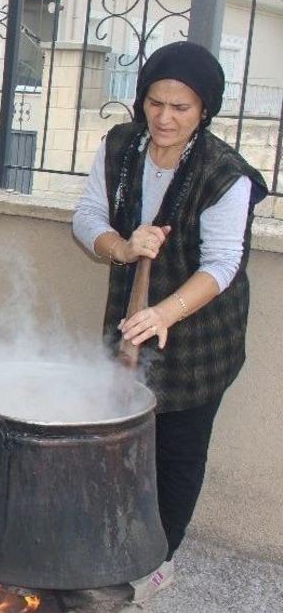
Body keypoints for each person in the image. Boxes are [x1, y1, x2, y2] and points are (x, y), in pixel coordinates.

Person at [72, 41, 267, 602]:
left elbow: (224, 262)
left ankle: (161, 557)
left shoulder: (225, 173)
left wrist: (164, 312)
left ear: (205, 110)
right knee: (121, 433)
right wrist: (122, 248)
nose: (164, 117)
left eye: (181, 107)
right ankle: (112, 534)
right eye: (155, 102)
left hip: (200, 334)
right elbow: (87, 217)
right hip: (130, 321)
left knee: (178, 450)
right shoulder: (120, 147)